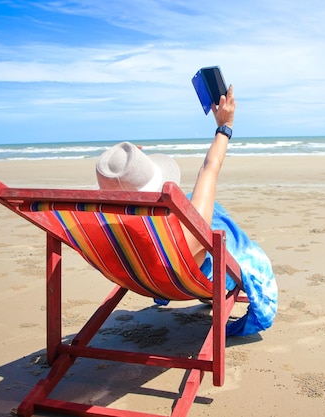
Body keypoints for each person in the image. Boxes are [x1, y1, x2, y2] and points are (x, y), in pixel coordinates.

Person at [95, 86, 277, 336]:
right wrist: (225, 126)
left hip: (138, 275)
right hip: (185, 277)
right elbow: (209, 168)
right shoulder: (184, 234)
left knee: (203, 210)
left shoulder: (101, 226)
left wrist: (129, 174)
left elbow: (123, 191)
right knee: (215, 219)